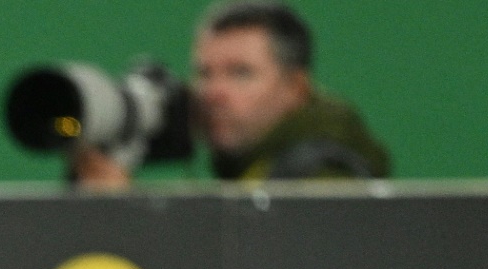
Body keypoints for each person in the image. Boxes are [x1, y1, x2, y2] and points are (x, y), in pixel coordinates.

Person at [75, 1, 390, 189]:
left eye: (241, 73)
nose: (213, 93)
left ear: (295, 89)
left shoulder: (324, 179)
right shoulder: (250, 172)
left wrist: (124, 219)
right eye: (204, 73)